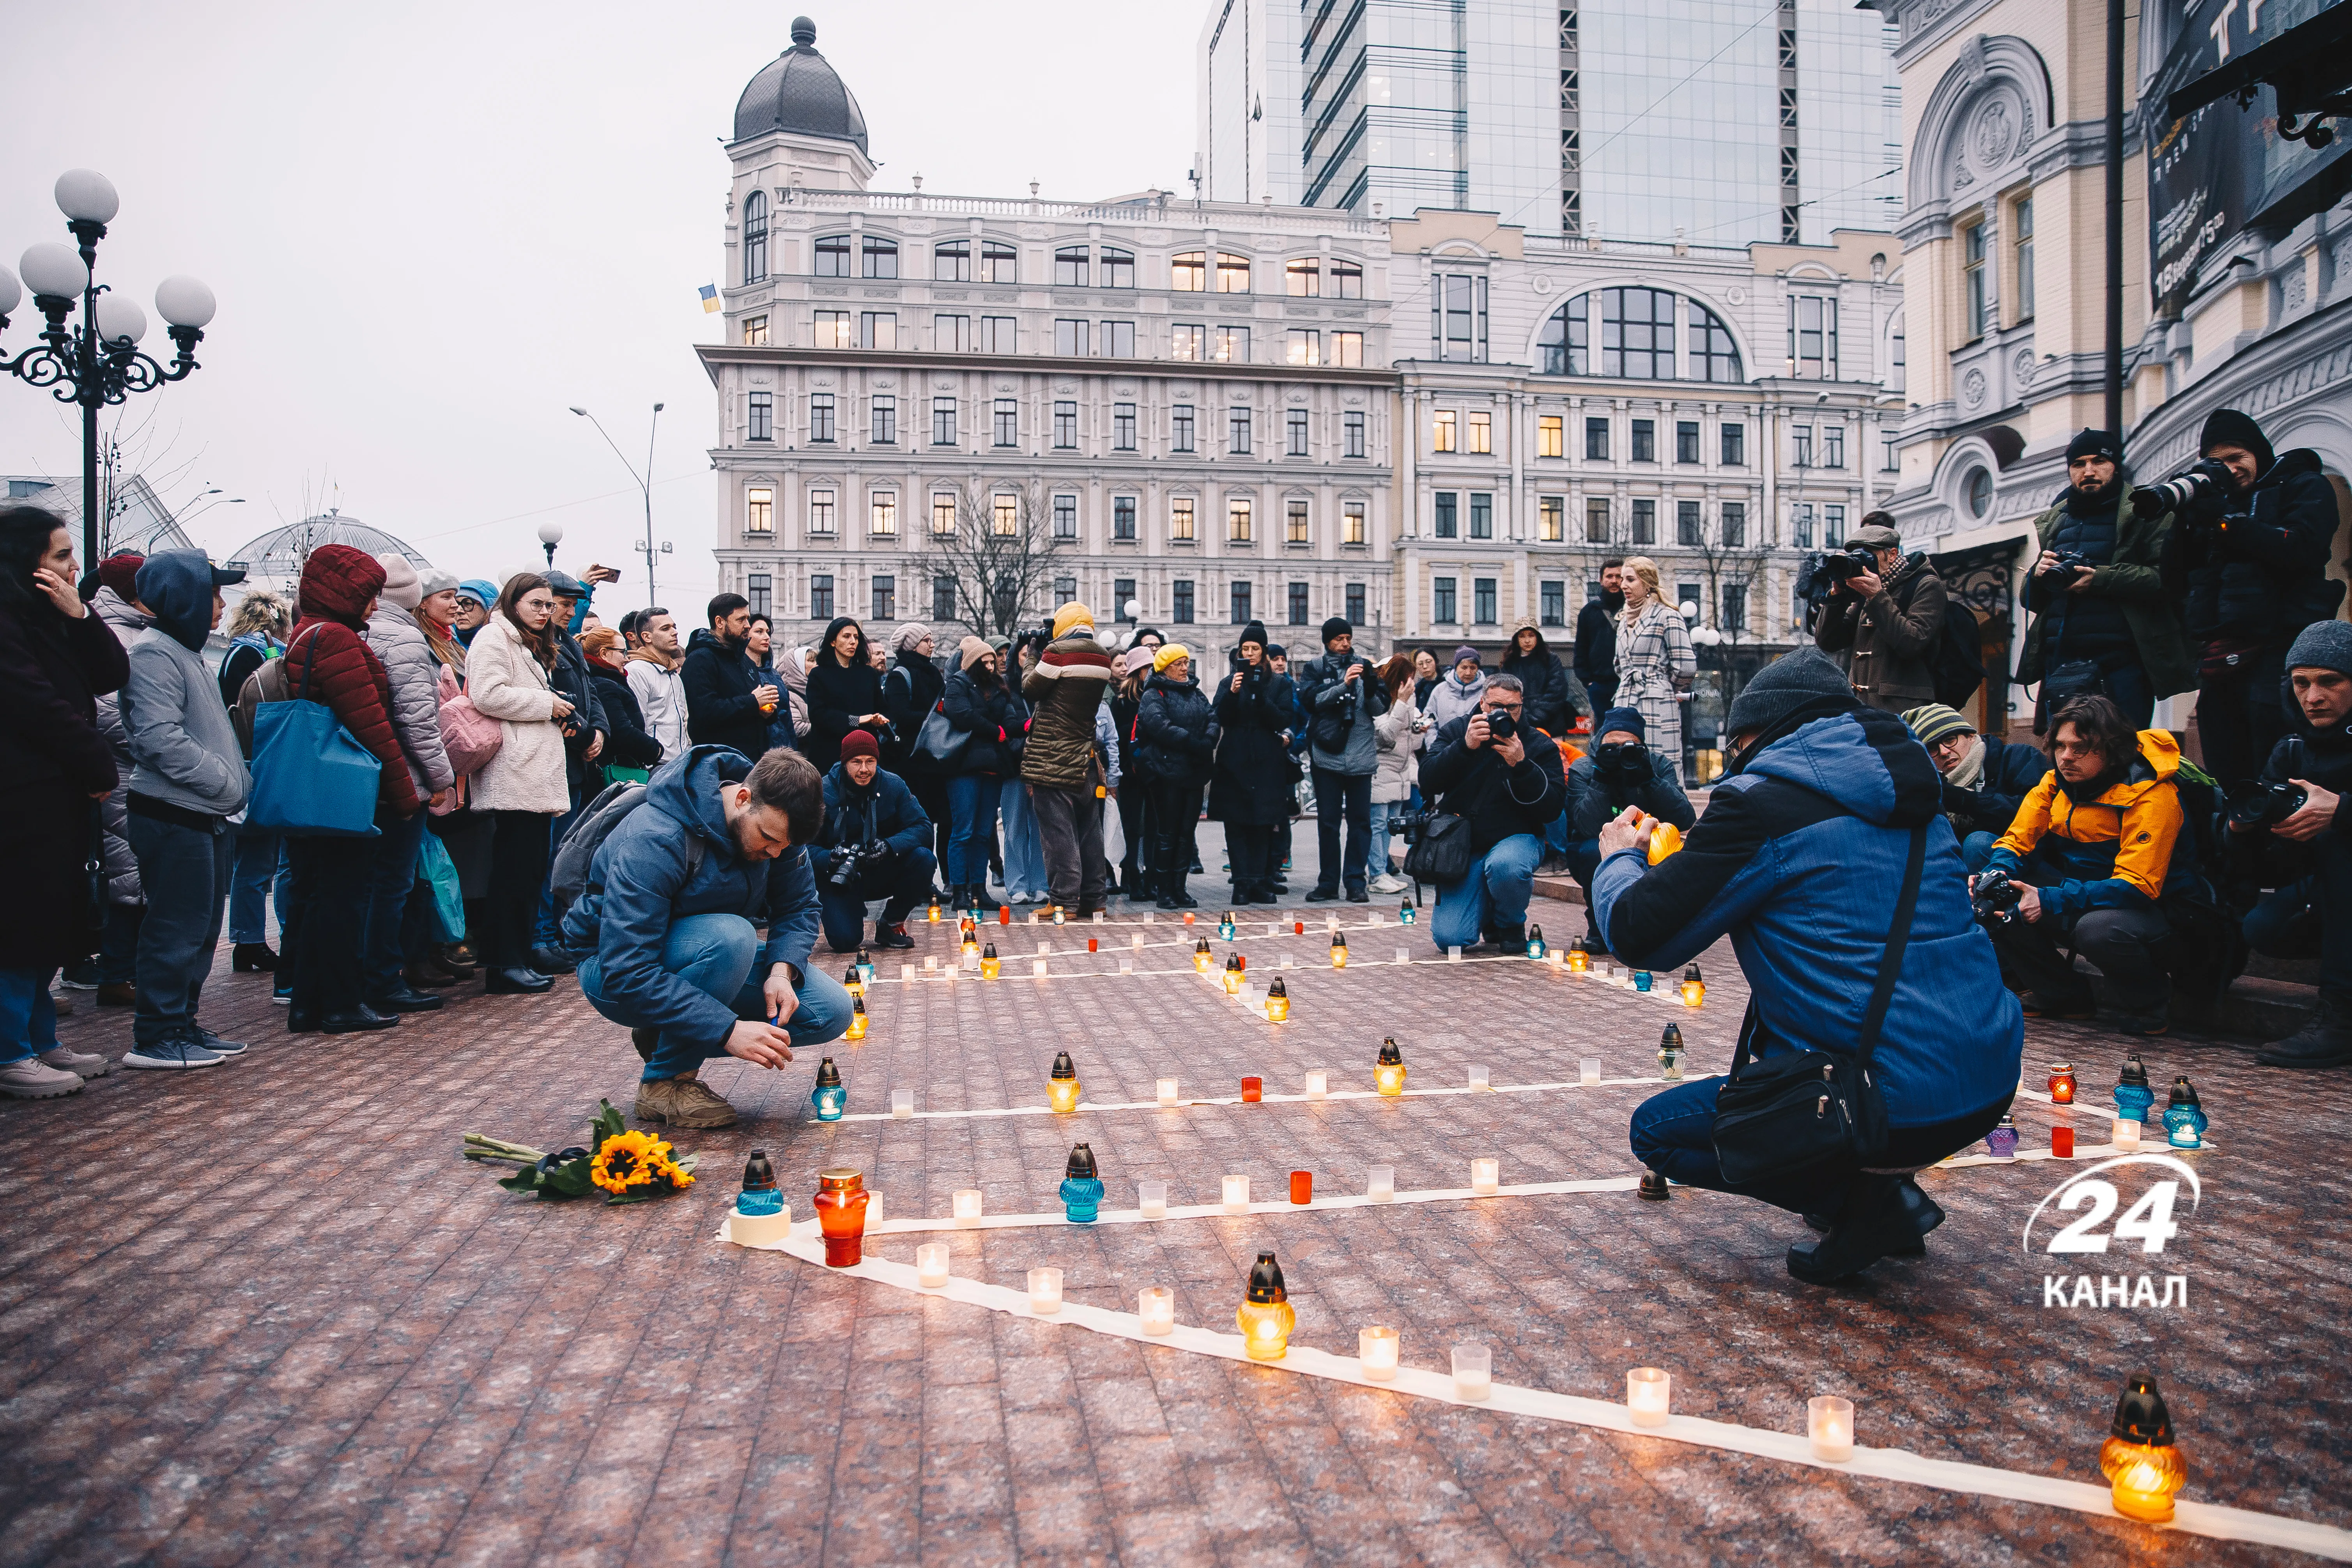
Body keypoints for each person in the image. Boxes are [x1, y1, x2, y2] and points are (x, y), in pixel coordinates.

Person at [1602, 648, 2022, 1285]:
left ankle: (1870, 1206)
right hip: (1987, 1077)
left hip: (1889, 1095)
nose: (1737, 755)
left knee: (1659, 1132)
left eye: (1736, 741)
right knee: (1866, 1030)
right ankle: (1877, 1189)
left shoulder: (1759, 805)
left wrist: (1619, 860)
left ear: (1757, 733)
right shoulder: (1917, 798)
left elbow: (1641, 935)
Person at [567, 744, 851, 1130]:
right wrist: (726, 1029)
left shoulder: (778, 826)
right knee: (733, 936)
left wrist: (781, 972)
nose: (774, 852)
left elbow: (800, 906)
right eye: (767, 839)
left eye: (783, 846)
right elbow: (627, 969)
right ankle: (665, 1082)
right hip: (612, 970)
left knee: (830, 1011)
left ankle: (669, 1032)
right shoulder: (658, 836)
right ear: (743, 797)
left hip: (704, 956)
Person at [0, 506, 127, 1098]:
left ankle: (38, 1038)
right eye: (59, 555)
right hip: (22, 798)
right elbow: (32, 703)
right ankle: (11, 1050)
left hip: (57, 795)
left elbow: (108, 674)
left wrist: (81, 614)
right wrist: (95, 760)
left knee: (49, 918)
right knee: (20, 922)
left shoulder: (47, 615)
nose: (74, 565)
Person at [1976, 694, 2195, 1036]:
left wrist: (2048, 899)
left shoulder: (2153, 796)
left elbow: (2138, 887)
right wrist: (1996, 874)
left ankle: (2150, 1004)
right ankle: (2064, 997)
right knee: (1991, 878)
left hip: (2154, 913)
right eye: (2060, 746)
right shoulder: (2054, 783)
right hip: (2079, 892)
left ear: (2111, 749)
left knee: (2097, 928)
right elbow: (2015, 839)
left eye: (2080, 748)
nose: (2065, 757)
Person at [279, 545, 424, 1034]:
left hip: (318, 789)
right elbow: (370, 725)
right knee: (342, 901)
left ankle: (309, 1003)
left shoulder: (308, 633)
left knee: (321, 898)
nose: (374, 605)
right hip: (344, 791)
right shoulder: (337, 639)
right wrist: (405, 796)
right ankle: (340, 1003)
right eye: (367, 595)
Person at [117, 550, 253, 1069]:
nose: (221, 605)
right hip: (174, 812)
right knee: (175, 927)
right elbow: (158, 739)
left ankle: (181, 1024)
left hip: (202, 813)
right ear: (185, 597)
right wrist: (222, 779)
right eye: (212, 593)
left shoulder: (184, 651)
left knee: (198, 929)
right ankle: (157, 1034)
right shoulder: (155, 654)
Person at [2179, 409, 2344, 789]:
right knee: (2227, 766)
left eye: (2237, 458)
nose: (2229, 470)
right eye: (2216, 462)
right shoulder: (2207, 506)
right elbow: (2177, 578)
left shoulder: (2302, 486)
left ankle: (2285, 837)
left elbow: (2301, 548)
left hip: (2280, 649)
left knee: (2276, 760)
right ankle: (2238, 836)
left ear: (2259, 454)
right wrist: (2187, 523)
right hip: (2221, 656)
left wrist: (2228, 523)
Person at [2016, 432, 2191, 736]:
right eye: (2078, 464)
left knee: (2121, 752)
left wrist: (2100, 579)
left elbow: (2166, 578)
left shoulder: (2145, 512)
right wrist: (2037, 576)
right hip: (2064, 663)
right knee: (2069, 754)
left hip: (2122, 662)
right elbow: (2031, 601)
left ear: (2115, 465)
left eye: (2099, 461)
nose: (2088, 471)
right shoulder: (2056, 520)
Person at [2235, 621, 2352, 1069]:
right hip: (2330, 893)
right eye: (2301, 683)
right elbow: (2268, 861)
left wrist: (2340, 811)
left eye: (2330, 681)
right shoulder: (2293, 748)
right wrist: (2240, 828)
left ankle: (2340, 1016)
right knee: (2265, 926)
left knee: (2341, 845)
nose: (2313, 697)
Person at [462, 573, 577, 996]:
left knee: (527, 872)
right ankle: (504, 963)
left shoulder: (523, 642)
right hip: (516, 773)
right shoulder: (494, 638)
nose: (545, 612)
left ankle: (516, 957)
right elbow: (487, 694)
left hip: (531, 774)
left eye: (549, 605)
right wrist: (547, 703)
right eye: (537, 604)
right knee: (514, 873)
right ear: (513, 603)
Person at [354, 555, 457, 1016]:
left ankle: (367, 974)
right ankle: (382, 978)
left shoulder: (367, 632)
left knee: (366, 884)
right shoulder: (406, 640)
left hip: (365, 776)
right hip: (402, 779)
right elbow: (418, 720)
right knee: (392, 884)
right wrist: (440, 778)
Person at [1418, 673, 1568, 952]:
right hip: (1464, 845)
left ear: (1521, 705)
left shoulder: (1537, 744)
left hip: (1517, 838)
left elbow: (1552, 809)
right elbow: (1427, 781)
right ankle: (1487, 914)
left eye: (1512, 707)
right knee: (1450, 939)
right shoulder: (1457, 731)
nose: (1504, 713)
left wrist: (1521, 765)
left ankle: (1509, 923)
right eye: (1496, 706)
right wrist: (1464, 747)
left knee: (1505, 866)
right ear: (1482, 703)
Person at [1561, 707, 1693, 952]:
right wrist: (1602, 776)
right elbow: (1587, 826)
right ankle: (1600, 925)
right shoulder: (1586, 769)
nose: (1620, 753)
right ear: (1600, 743)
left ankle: (1656, 924)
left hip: (1652, 844)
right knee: (1591, 852)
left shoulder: (1658, 765)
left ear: (1641, 746)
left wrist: (1650, 779)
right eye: (1612, 746)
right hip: (1598, 845)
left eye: (1629, 746)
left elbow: (1685, 818)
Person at [1020, 603, 1119, 917]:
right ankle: (1095, 900)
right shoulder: (1103, 657)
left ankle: (1064, 902)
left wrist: (1034, 654)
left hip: (1052, 758)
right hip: (1085, 757)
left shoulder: (1058, 654)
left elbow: (1029, 688)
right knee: (1090, 833)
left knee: (1058, 833)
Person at [81, 556, 149, 1007]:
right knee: (128, 878)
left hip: (128, 772)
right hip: (120, 775)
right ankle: (116, 971)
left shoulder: (129, 629)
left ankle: (117, 967)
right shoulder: (114, 632)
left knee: (130, 875)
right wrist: (157, 741)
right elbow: (110, 712)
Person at [218, 589, 290, 975]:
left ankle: (249, 940)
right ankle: (249, 942)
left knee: (258, 859)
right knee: (262, 858)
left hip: (246, 760)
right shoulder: (260, 655)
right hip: (260, 762)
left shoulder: (235, 653)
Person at [811, 729, 935, 951]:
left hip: (880, 867)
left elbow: (923, 827)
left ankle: (891, 923)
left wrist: (889, 846)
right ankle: (846, 911)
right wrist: (829, 858)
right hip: (838, 876)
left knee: (924, 859)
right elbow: (799, 845)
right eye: (856, 762)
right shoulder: (821, 790)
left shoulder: (893, 785)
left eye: (871, 762)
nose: (864, 770)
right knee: (845, 942)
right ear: (844, 762)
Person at [1811, 517, 1949, 715]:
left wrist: (1877, 597)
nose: (1861, 561)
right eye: (1856, 555)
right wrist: (1837, 597)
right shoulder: (1866, 588)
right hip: (1859, 706)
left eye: (1868, 555)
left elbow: (1911, 643)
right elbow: (1828, 642)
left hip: (1902, 710)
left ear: (1892, 554)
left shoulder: (1926, 585)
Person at [1297, 617, 1389, 904]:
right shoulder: (1314, 668)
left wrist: (1371, 686)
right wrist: (1342, 685)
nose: (1345, 644)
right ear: (1327, 642)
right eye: (1338, 639)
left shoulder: (1365, 666)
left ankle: (1354, 883)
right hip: (1327, 755)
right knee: (1328, 823)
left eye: (1348, 638)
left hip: (1361, 756)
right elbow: (1310, 702)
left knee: (1360, 823)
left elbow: (1378, 709)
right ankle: (1327, 884)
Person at [1902, 703, 2051, 871]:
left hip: (2031, 862)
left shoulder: (2018, 757)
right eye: (1932, 749)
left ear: (1971, 736)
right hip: (1962, 874)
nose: (1944, 752)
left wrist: (1967, 800)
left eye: (1950, 740)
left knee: (1977, 843)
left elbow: (2041, 815)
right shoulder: (1929, 786)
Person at [1207, 623, 1295, 904]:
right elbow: (1219, 716)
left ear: (1264, 652)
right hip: (1234, 759)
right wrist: (1234, 693)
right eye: (1245, 649)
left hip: (1267, 759)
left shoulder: (1279, 684)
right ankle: (1241, 883)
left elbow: (1283, 719)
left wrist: (1260, 698)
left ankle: (1259, 881)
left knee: (1263, 823)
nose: (1249, 654)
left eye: (1255, 649)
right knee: (1236, 824)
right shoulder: (1228, 682)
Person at [940, 636, 1029, 911]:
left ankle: (979, 889)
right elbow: (961, 714)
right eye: (985, 661)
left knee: (981, 833)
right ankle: (959, 892)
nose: (991, 665)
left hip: (993, 767)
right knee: (963, 831)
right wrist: (996, 731)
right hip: (964, 767)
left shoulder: (1000, 688)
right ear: (971, 663)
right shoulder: (958, 684)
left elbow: (1010, 718)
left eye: (993, 661)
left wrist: (1025, 726)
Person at [1134, 643, 1214, 909]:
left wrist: (1209, 738)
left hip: (1193, 772)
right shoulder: (1154, 693)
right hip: (1166, 773)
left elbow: (1212, 717)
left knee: (1185, 832)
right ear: (1165, 668)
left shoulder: (1196, 692)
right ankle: (1164, 890)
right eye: (1179, 664)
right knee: (1167, 833)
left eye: (1186, 663)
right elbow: (1159, 725)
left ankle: (1180, 889)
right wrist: (1193, 742)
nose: (1185, 668)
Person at [1614, 557, 1697, 784]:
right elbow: (1619, 664)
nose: (1623, 585)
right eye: (1622, 579)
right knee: (1624, 766)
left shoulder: (1667, 615)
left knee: (1659, 766)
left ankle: (1667, 816)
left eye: (1631, 579)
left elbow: (1686, 666)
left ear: (1648, 583)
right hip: (1625, 701)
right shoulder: (1623, 619)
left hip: (1657, 702)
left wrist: (1664, 686)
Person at [879, 622, 950, 885]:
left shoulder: (933, 673)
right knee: (918, 823)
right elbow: (900, 715)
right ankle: (921, 881)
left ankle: (946, 879)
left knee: (944, 820)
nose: (932, 645)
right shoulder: (901, 675)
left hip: (936, 759)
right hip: (911, 760)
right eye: (926, 640)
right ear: (911, 645)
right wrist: (935, 717)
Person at [682, 594, 778, 763]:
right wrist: (754, 702)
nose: (747, 626)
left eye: (747, 619)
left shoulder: (743, 660)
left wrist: (766, 711)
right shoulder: (701, 659)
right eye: (741, 620)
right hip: (718, 761)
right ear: (720, 622)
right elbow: (705, 711)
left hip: (750, 759)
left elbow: (751, 705)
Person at [1368, 654, 1426, 895]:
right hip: (1380, 769)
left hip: (1402, 770)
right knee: (1378, 825)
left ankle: (1382, 871)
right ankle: (1376, 875)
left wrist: (1419, 728)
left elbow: (1415, 743)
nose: (1413, 682)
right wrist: (1401, 705)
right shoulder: (1380, 698)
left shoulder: (1410, 699)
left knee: (1390, 826)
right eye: (1409, 677)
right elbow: (1385, 736)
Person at [580, 627, 664, 780]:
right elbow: (621, 731)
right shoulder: (603, 684)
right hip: (617, 771)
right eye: (622, 652)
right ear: (604, 653)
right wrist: (655, 749)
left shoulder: (608, 681)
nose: (627, 659)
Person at [805, 615, 887, 771]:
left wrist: (880, 720)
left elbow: (881, 707)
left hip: (865, 751)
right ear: (833, 641)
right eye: (847, 636)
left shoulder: (868, 674)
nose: (853, 642)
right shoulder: (819, 674)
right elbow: (818, 715)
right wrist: (857, 720)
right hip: (831, 752)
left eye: (856, 637)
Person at [1108, 647, 1154, 898]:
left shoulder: (1157, 696)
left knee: (1153, 826)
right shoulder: (1122, 701)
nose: (1151, 673)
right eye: (1147, 669)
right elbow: (1115, 737)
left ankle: (1151, 879)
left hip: (1153, 769)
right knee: (1132, 826)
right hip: (1131, 771)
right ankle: (1131, 877)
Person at [1501, 616, 1588, 740]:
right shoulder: (1510, 663)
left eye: (1531, 635)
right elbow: (1507, 693)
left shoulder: (1551, 660)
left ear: (1538, 637)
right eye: (1522, 636)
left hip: (1552, 723)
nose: (1527, 640)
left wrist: (1539, 714)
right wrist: (1524, 716)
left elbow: (1557, 691)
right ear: (1516, 639)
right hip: (1521, 724)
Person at [623, 606, 689, 762]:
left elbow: (684, 718)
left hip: (680, 761)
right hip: (655, 764)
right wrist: (651, 757)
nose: (674, 632)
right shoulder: (636, 670)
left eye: (674, 627)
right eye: (666, 629)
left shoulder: (674, 673)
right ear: (647, 637)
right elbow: (637, 724)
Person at [1573, 560, 1626, 717]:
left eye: (1619, 576)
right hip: (1600, 685)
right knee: (1605, 732)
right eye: (1609, 576)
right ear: (1601, 580)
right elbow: (1581, 648)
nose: (1614, 581)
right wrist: (1589, 682)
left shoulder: (1634, 609)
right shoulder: (1589, 612)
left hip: (1628, 683)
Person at [1424, 645, 1487, 733]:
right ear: (1456, 668)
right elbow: (1429, 720)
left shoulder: (1486, 692)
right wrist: (1433, 744)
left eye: (1473, 668)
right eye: (1464, 668)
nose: (1468, 673)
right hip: (1442, 745)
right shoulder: (1440, 691)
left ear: (1478, 669)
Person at [453, 580, 497, 645]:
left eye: (468, 604)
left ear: (488, 609)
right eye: (456, 604)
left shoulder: (505, 644)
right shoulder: (441, 645)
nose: (459, 611)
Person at [1411, 648, 1441, 713]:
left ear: (1436, 662)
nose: (1425, 666)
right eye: (1420, 664)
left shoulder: (1445, 684)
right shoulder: (1417, 688)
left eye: (1429, 662)